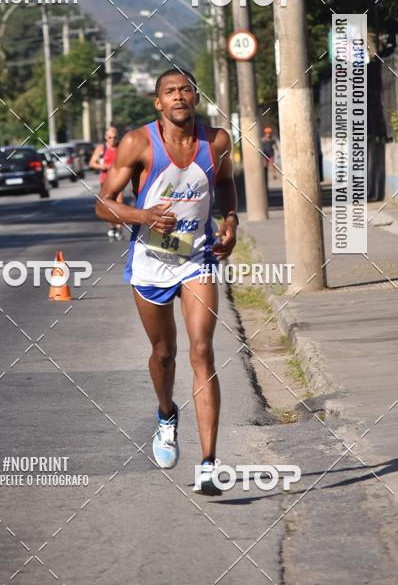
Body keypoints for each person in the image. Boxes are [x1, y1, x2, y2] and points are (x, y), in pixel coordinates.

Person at [95, 69, 238, 495]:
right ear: (158, 103)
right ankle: (165, 414)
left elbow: (227, 186)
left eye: (185, 89)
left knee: (202, 351)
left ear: (195, 96)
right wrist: (144, 217)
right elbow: (103, 204)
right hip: (151, 263)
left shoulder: (217, 142)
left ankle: (209, 464)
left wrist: (230, 222)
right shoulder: (138, 144)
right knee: (163, 353)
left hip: (197, 260)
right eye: (169, 91)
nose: (178, 96)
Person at [90, 126, 123, 240]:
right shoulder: (101, 148)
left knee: (119, 204)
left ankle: (119, 227)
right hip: (105, 181)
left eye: (115, 137)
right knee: (108, 205)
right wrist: (102, 166)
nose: (112, 140)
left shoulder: (121, 148)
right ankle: (112, 227)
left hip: (119, 179)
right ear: (105, 137)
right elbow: (92, 163)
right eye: (110, 137)